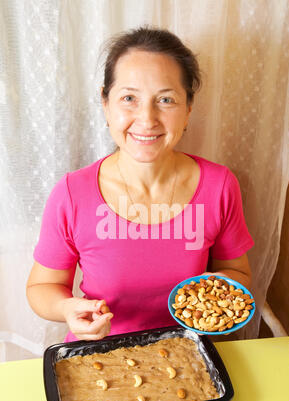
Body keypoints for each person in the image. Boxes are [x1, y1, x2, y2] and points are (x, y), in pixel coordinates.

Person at [26, 26, 254, 343]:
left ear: (189, 108)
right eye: (129, 98)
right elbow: (41, 287)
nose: (147, 119)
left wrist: (213, 291)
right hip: (99, 355)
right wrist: (66, 308)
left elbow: (239, 273)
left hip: (193, 356)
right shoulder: (72, 194)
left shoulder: (220, 186)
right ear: (105, 103)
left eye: (166, 99)